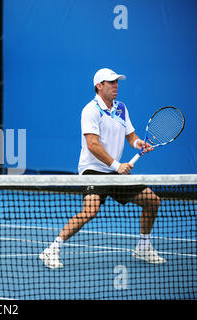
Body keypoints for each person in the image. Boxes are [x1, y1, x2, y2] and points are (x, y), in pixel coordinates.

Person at [39, 68, 165, 269]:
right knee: (90, 211)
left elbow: (130, 135)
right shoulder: (90, 110)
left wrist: (138, 143)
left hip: (114, 171)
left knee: (152, 201)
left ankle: (143, 246)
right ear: (99, 86)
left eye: (117, 82)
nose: (116, 85)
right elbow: (93, 145)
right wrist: (117, 165)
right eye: (111, 82)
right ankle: (52, 249)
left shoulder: (121, 108)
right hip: (93, 170)